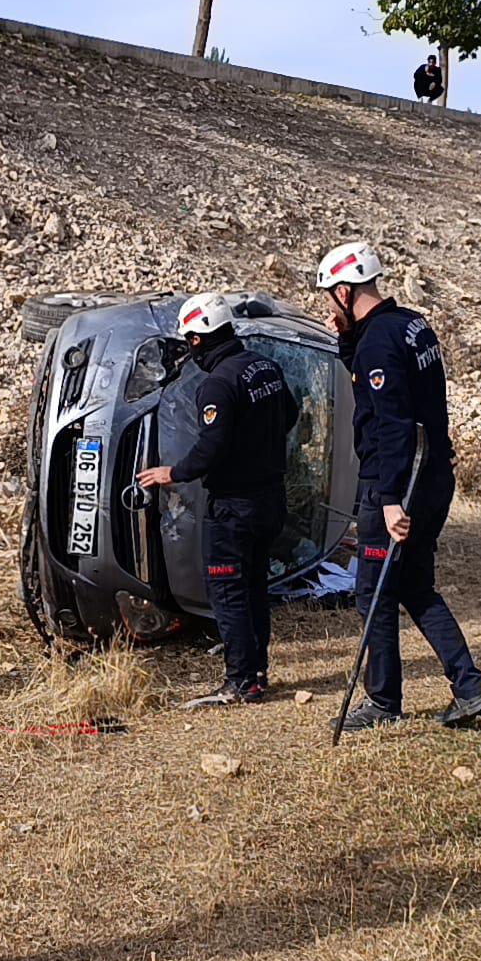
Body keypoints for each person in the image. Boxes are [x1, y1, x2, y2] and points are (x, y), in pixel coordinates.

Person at [315, 241, 481, 733]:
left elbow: (392, 423)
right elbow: (383, 384)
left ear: (345, 291)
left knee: (373, 592)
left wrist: (391, 500)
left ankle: (382, 702)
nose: (330, 308)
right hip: (435, 475)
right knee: (415, 586)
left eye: (331, 299)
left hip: (396, 485)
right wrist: (346, 340)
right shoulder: (410, 325)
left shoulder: (377, 343)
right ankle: (469, 688)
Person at [136, 292, 300, 707]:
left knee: (227, 591)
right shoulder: (266, 368)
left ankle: (242, 681)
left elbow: (211, 449)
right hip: (269, 501)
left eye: (190, 339)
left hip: (234, 508)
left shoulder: (217, 384)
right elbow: (292, 416)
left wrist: (171, 472)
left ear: (197, 339)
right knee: (254, 587)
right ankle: (256, 671)